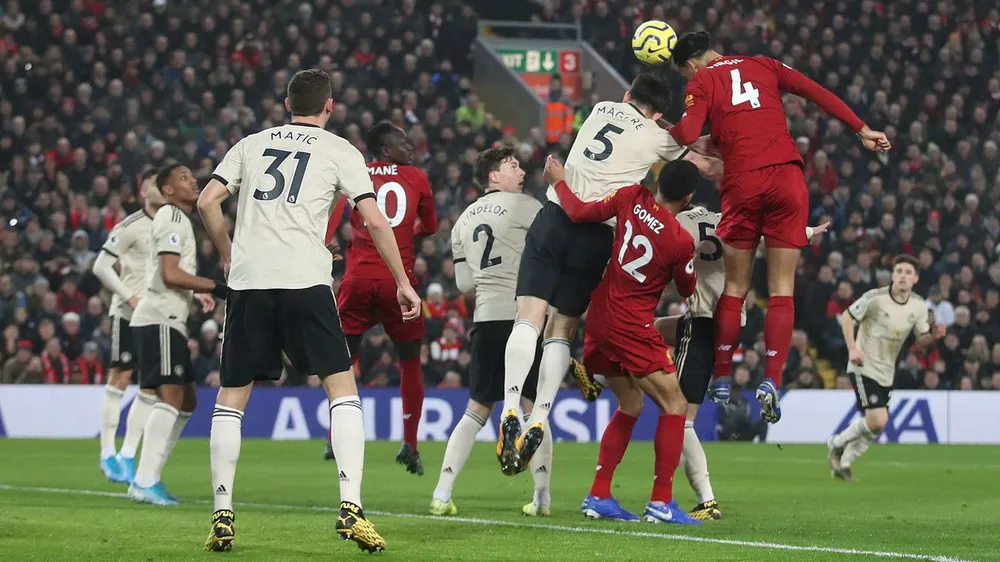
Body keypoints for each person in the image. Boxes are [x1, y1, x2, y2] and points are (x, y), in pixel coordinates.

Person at [197, 69, 421, 553]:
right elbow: (374, 219)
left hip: (251, 283)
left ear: (285, 103)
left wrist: (228, 251)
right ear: (329, 106)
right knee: (341, 390)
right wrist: (403, 281)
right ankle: (351, 509)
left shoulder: (251, 144)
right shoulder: (340, 150)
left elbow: (208, 199)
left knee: (231, 399)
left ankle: (222, 513)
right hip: (304, 281)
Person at [497, 72, 722, 475]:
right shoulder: (658, 138)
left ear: (626, 95)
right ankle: (539, 418)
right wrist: (692, 106)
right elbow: (689, 135)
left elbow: (652, 125)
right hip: (596, 234)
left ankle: (511, 406)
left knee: (528, 317)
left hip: (555, 215)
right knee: (561, 328)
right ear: (657, 114)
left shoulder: (601, 109)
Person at [668, 30, 892, 423]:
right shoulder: (764, 65)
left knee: (736, 286)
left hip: (743, 183)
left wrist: (672, 132)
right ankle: (771, 378)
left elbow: (687, 134)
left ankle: (722, 375)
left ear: (690, 65)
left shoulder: (702, 80)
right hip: (787, 179)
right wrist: (861, 129)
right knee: (782, 289)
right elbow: (817, 92)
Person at [548, 156, 701, 525]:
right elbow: (687, 288)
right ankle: (662, 502)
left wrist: (559, 182)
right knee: (676, 404)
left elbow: (579, 212)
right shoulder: (680, 240)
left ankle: (599, 494)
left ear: (660, 181)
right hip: (631, 324)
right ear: (689, 197)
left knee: (631, 403)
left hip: (600, 316)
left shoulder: (632, 196)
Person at [429, 146, 550, 518]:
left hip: (484, 318)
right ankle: (542, 499)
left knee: (476, 409)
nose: (521, 171)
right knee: (534, 409)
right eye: (513, 166)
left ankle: (441, 493)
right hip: (523, 320)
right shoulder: (526, 206)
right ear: (494, 176)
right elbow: (554, 242)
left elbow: (464, 282)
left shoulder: (463, 218)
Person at [322, 120, 437, 475]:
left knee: (342, 361)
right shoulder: (416, 177)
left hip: (357, 281)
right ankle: (411, 444)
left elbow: (332, 218)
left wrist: (330, 243)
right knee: (410, 362)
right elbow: (430, 227)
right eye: (403, 141)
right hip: (397, 283)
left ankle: (332, 436)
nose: (410, 145)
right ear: (387, 150)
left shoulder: (356, 172)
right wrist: (405, 231)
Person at [126, 164, 222, 506]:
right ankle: (144, 479)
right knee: (169, 398)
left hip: (169, 319)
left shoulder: (178, 219)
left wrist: (198, 291)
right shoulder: (171, 216)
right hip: (159, 319)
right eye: (183, 178)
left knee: (188, 400)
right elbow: (169, 273)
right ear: (167, 190)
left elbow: (165, 271)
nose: (193, 180)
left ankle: (150, 475)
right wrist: (216, 286)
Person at [827, 255, 945, 480]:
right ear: (892, 275)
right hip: (863, 364)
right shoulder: (875, 298)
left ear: (915, 279)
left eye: (908, 272)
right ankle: (837, 442)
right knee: (878, 420)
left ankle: (844, 462)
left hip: (887, 370)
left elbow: (921, 340)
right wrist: (853, 349)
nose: (902, 276)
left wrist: (933, 336)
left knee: (877, 426)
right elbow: (847, 316)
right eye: (899, 271)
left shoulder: (919, 305)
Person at [92, 168, 165, 484]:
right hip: (128, 313)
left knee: (150, 386)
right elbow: (101, 266)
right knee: (121, 377)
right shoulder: (131, 226)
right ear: (142, 192)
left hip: (159, 314)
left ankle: (128, 454)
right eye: (153, 185)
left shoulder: (174, 226)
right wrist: (129, 296)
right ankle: (107, 451)